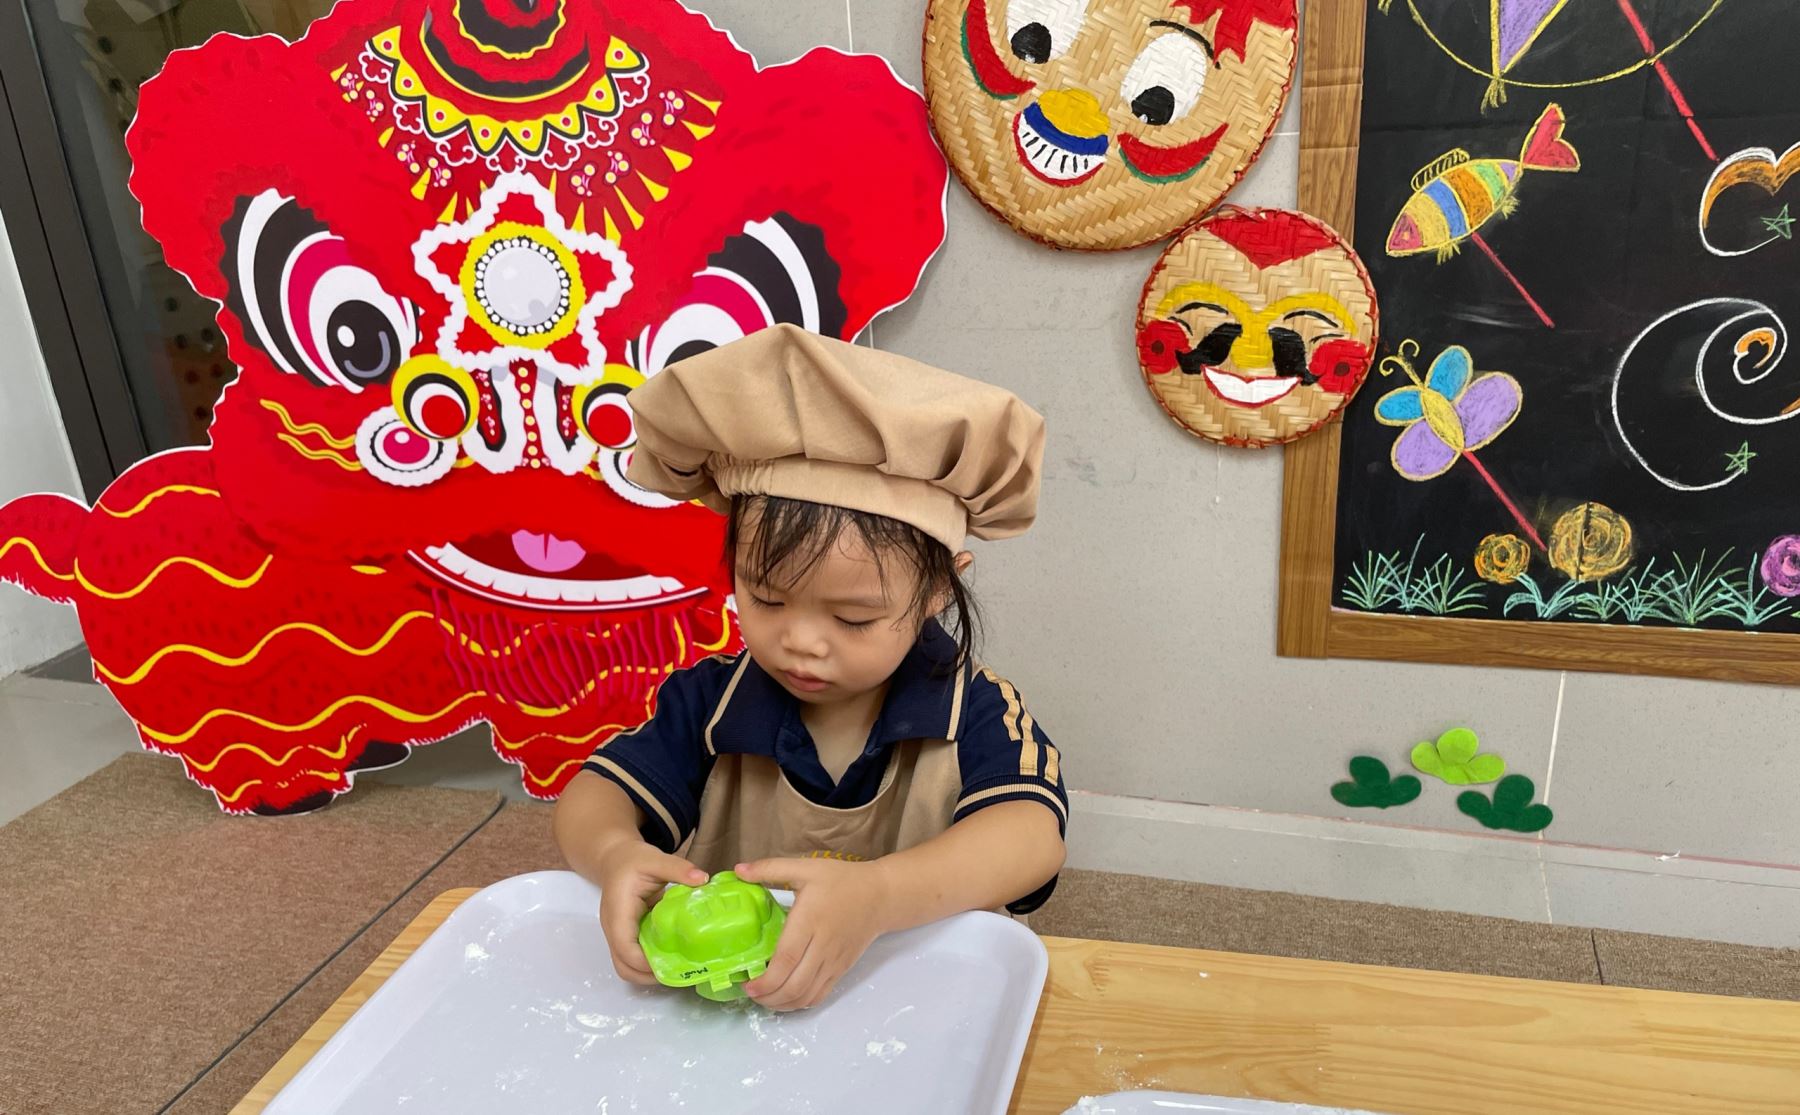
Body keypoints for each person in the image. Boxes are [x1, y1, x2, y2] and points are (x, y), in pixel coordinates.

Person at [553, 324, 1067, 1011]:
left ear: (937, 591)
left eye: (852, 618)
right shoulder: (711, 701)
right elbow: (593, 797)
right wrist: (616, 852)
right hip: (743, 1007)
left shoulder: (976, 706)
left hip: (917, 998)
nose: (800, 642)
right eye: (766, 598)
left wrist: (879, 895)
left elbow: (1031, 837)